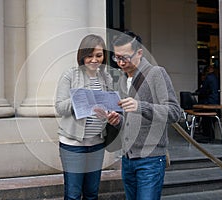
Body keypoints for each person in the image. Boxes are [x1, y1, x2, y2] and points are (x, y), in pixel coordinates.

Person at [107, 31, 181, 200]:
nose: (120, 63)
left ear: (139, 52)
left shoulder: (156, 73)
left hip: (151, 159)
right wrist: (118, 121)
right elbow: (130, 121)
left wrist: (140, 106)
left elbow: (174, 112)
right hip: (127, 158)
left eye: (124, 57)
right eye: (117, 58)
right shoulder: (121, 80)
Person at [55, 34, 120, 200]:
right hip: (73, 144)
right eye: (89, 56)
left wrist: (110, 114)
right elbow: (60, 108)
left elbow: (109, 105)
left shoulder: (106, 77)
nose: (94, 60)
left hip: (97, 143)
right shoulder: (70, 75)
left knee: (92, 193)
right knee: (73, 194)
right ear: (82, 56)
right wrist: (79, 99)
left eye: (98, 55)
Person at [195, 65, 220, 142]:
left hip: (209, 101)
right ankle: (208, 134)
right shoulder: (216, 77)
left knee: (204, 115)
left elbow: (203, 90)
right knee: (209, 117)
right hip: (215, 101)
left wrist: (198, 92)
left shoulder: (209, 78)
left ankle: (206, 134)